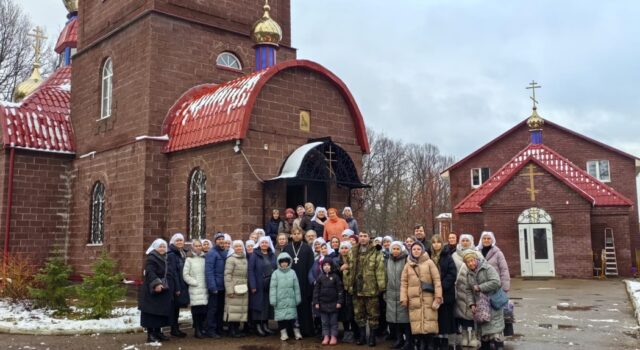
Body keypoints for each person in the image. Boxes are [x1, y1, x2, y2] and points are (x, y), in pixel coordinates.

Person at [345, 230, 387, 346]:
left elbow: (380, 270)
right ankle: (362, 336)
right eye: (361, 236)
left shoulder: (376, 251)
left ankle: (372, 337)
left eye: (365, 236)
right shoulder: (353, 251)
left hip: (371, 288)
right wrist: (348, 284)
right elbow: (348, 268)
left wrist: (382, 287)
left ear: (369, 238)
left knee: (373, 314)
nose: (363, 238)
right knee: (359, 314)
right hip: (356, 289)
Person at [401, 242, 442, 350]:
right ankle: (421, 342)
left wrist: (438, 296)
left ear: (422, 250)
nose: (416, 251)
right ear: (411, 251)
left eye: (418, 249)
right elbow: (404, 283)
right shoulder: (408, 264)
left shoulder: (429, 263)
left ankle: (430, 342)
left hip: (428, 296)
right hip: (414, 298)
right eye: (414, 249)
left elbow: (437, 280)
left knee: (429, 320)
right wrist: (403, 298)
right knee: (417, 321)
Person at [463, 252, 505, 350]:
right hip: (480, 307)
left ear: (476, 260)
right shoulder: (469, 274)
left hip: (492, 304)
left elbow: (496, 282)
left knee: (495, 334)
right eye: (468, 262)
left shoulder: (487, 268)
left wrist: (480, 287)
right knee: (484, 336)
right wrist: (472, 304)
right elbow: (468, 290)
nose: (470, 263)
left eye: (472, 260)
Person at [477, 231, 512, 340]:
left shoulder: (498, 253)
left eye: (488, 238)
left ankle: (497, 336)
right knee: (484, 313)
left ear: (492, 240)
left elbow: (504, 270)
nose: (486, 240)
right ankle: (485, 337)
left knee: (496, 313)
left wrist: (505, 287)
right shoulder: (477, 252)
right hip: (482, 288)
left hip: (495, 288)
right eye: (484, 238)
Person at [282, 227, 316, 337]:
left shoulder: (307, 248)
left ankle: (305, 329)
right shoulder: (287, 248)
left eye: (299, 233)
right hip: (289, 282)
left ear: (302, 235)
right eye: (294, 233)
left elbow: (311, 267)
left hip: (303, 282)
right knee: (290, 306)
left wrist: (309, 283)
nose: (297, 235)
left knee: (304, 306)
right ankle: (290, 330)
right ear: (291, 235)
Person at [139, 239, 172, 343]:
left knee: (159, 312)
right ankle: (150, 334)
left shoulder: (164, 257)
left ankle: (158, 332)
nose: (162, 248)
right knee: (151, 312)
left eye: (164, 246)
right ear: (155, 247)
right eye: (160, 246)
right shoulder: (152, 258)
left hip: (162, 288)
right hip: (152, 289)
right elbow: (150, 272)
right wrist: (156, 283)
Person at [454, 234, 483, 348]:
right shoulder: (455, 255)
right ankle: (464, 336)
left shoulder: (478, 254)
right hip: (459, 289)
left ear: (471, 241)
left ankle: (475, 336)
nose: (465, 242)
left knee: (474, 314)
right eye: (463, 240)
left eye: (467, 240)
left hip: (474, 289)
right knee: (462, 314)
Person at [431, 235, 458, 350]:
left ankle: (444, 339)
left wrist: (441, 286)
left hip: (446, 292)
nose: (436, 244)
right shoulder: (429, 256)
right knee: (435, 316)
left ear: (442, 244)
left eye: (438, 242)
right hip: (432, 291)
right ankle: (436, 337)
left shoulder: (448, 256)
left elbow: (452, 274)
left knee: (445, 317)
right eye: (434, 242)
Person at [270, 252, 303, 341]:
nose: (284, 263)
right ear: (279, 263)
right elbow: (273, 288)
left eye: (286, 262)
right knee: (281, 319)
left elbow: (296, 287)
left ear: (289, 262)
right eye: (282, 262)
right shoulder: (275, 273)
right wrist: (273, 300)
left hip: (291, 299)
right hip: (279, 300)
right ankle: (283, 333)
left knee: (293, 318)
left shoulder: (292, 272)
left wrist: (297, 298)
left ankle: (297, 332)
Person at [248, 236, 277, 337]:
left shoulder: (272, 255)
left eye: (266, 242)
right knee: (258, 305)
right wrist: (253, 285)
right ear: (259, 244)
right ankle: (257, 327)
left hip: (269, 284)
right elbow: (250, 271)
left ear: (269, 244)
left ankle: (265, 325)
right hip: (258, 284)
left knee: (266, 306)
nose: (264, 244)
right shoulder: (254, 255)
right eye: (262, 242)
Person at [386, 241, 411, 350]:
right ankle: (399, 339)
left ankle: (408, 341)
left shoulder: (406, 259)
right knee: (395, 319)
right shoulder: (388, 260)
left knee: (405, 319)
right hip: (391, 292)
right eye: (393, 249)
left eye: (397, 249)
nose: (395, 251)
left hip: (403, 291)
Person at [313, 260, 344, 345]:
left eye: (328, 265)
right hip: (323, 304)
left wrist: (339, 302)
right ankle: (326, 336)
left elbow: (340, 290)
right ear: (322, 267)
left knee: (333, 322)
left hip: (334, 304)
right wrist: (316, 302)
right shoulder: (320, 277)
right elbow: (316, 291)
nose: (326, 267)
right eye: (324, 265)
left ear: (331, 266)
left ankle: (333, 336)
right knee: (324, 322)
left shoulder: (335, 277)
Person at [183, 239, 208, 338]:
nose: (198, 247)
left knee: (204, 310)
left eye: (199, 246)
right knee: (196, 310)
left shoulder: (205, 258)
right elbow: (185, 274)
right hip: (195, 288)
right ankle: (197, 330)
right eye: (196, 246)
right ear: (192, 247)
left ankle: (202, 328)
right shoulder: (189, 259)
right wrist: (194, 282)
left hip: (205, 287)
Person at [205, 232, 228, 338]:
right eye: (219, 239)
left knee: (220, 309)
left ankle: (219, 328)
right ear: (215, 241)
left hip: (223, 286)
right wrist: (212, 287)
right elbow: (209, 271)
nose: (221, 241)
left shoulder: (225, 252)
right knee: (213, 309)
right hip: (215, 287)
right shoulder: (212, 253)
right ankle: (211, 329)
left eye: (223, 239)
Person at [224, 240, 249, 338]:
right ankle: (232, 330)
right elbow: (227, 275)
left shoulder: (245, 258)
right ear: (233, 248)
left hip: (243, 287)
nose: (239, 248)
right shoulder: (231, 259)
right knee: (233, 309)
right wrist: (229, 290)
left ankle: (237, 329)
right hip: (233, 287)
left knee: (240, 309)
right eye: (236, 246)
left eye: (240, 246)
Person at [167, 233, 189, 338]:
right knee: (174, 307)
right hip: (176, 284)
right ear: (173, 242)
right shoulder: (172, 254)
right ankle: (174, 329)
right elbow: (173, 272)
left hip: (182, 283)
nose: (180, 242)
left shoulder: (182, 252)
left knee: (177, 307)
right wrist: (177, 287)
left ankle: (175, 327)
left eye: (181, 240)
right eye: (177, 241)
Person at [336, 240, 358, 343]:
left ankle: (355, 332)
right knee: (344, 312)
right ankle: (346, 331)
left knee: (353, 311)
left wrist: (349, 267)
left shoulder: (354, 260)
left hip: (352, 290)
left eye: (346, 248)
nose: (344, 250)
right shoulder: (337, 261)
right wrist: (340, 269)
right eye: (342, 248)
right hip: (341, 291)